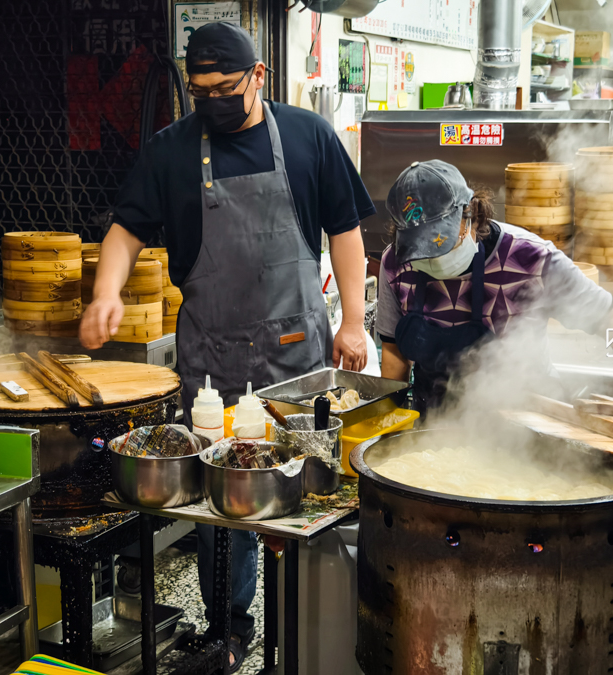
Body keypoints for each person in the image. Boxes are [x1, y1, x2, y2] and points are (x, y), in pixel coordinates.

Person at [78, 21, 373, 671]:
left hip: (296, 353)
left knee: (306, 489)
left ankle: (303, 628)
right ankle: (228, 629)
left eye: (224, 87)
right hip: (212, 358)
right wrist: (107, 292)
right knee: (223, 495)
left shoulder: (307, 137)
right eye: (197, 89)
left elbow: (346, 228)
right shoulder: (170, 151)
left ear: (259, 76)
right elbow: (127, 228)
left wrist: (353, 321)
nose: (209, 100)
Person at [375, 160, 613, 427]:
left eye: (440, 245)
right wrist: (392, 423)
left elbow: (608, 315)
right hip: (437, 424)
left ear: (471, 216)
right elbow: (393, 353)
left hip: (530, 425)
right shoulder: (395, 263)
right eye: (421, 249)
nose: (431, 258)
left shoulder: (530, 258)